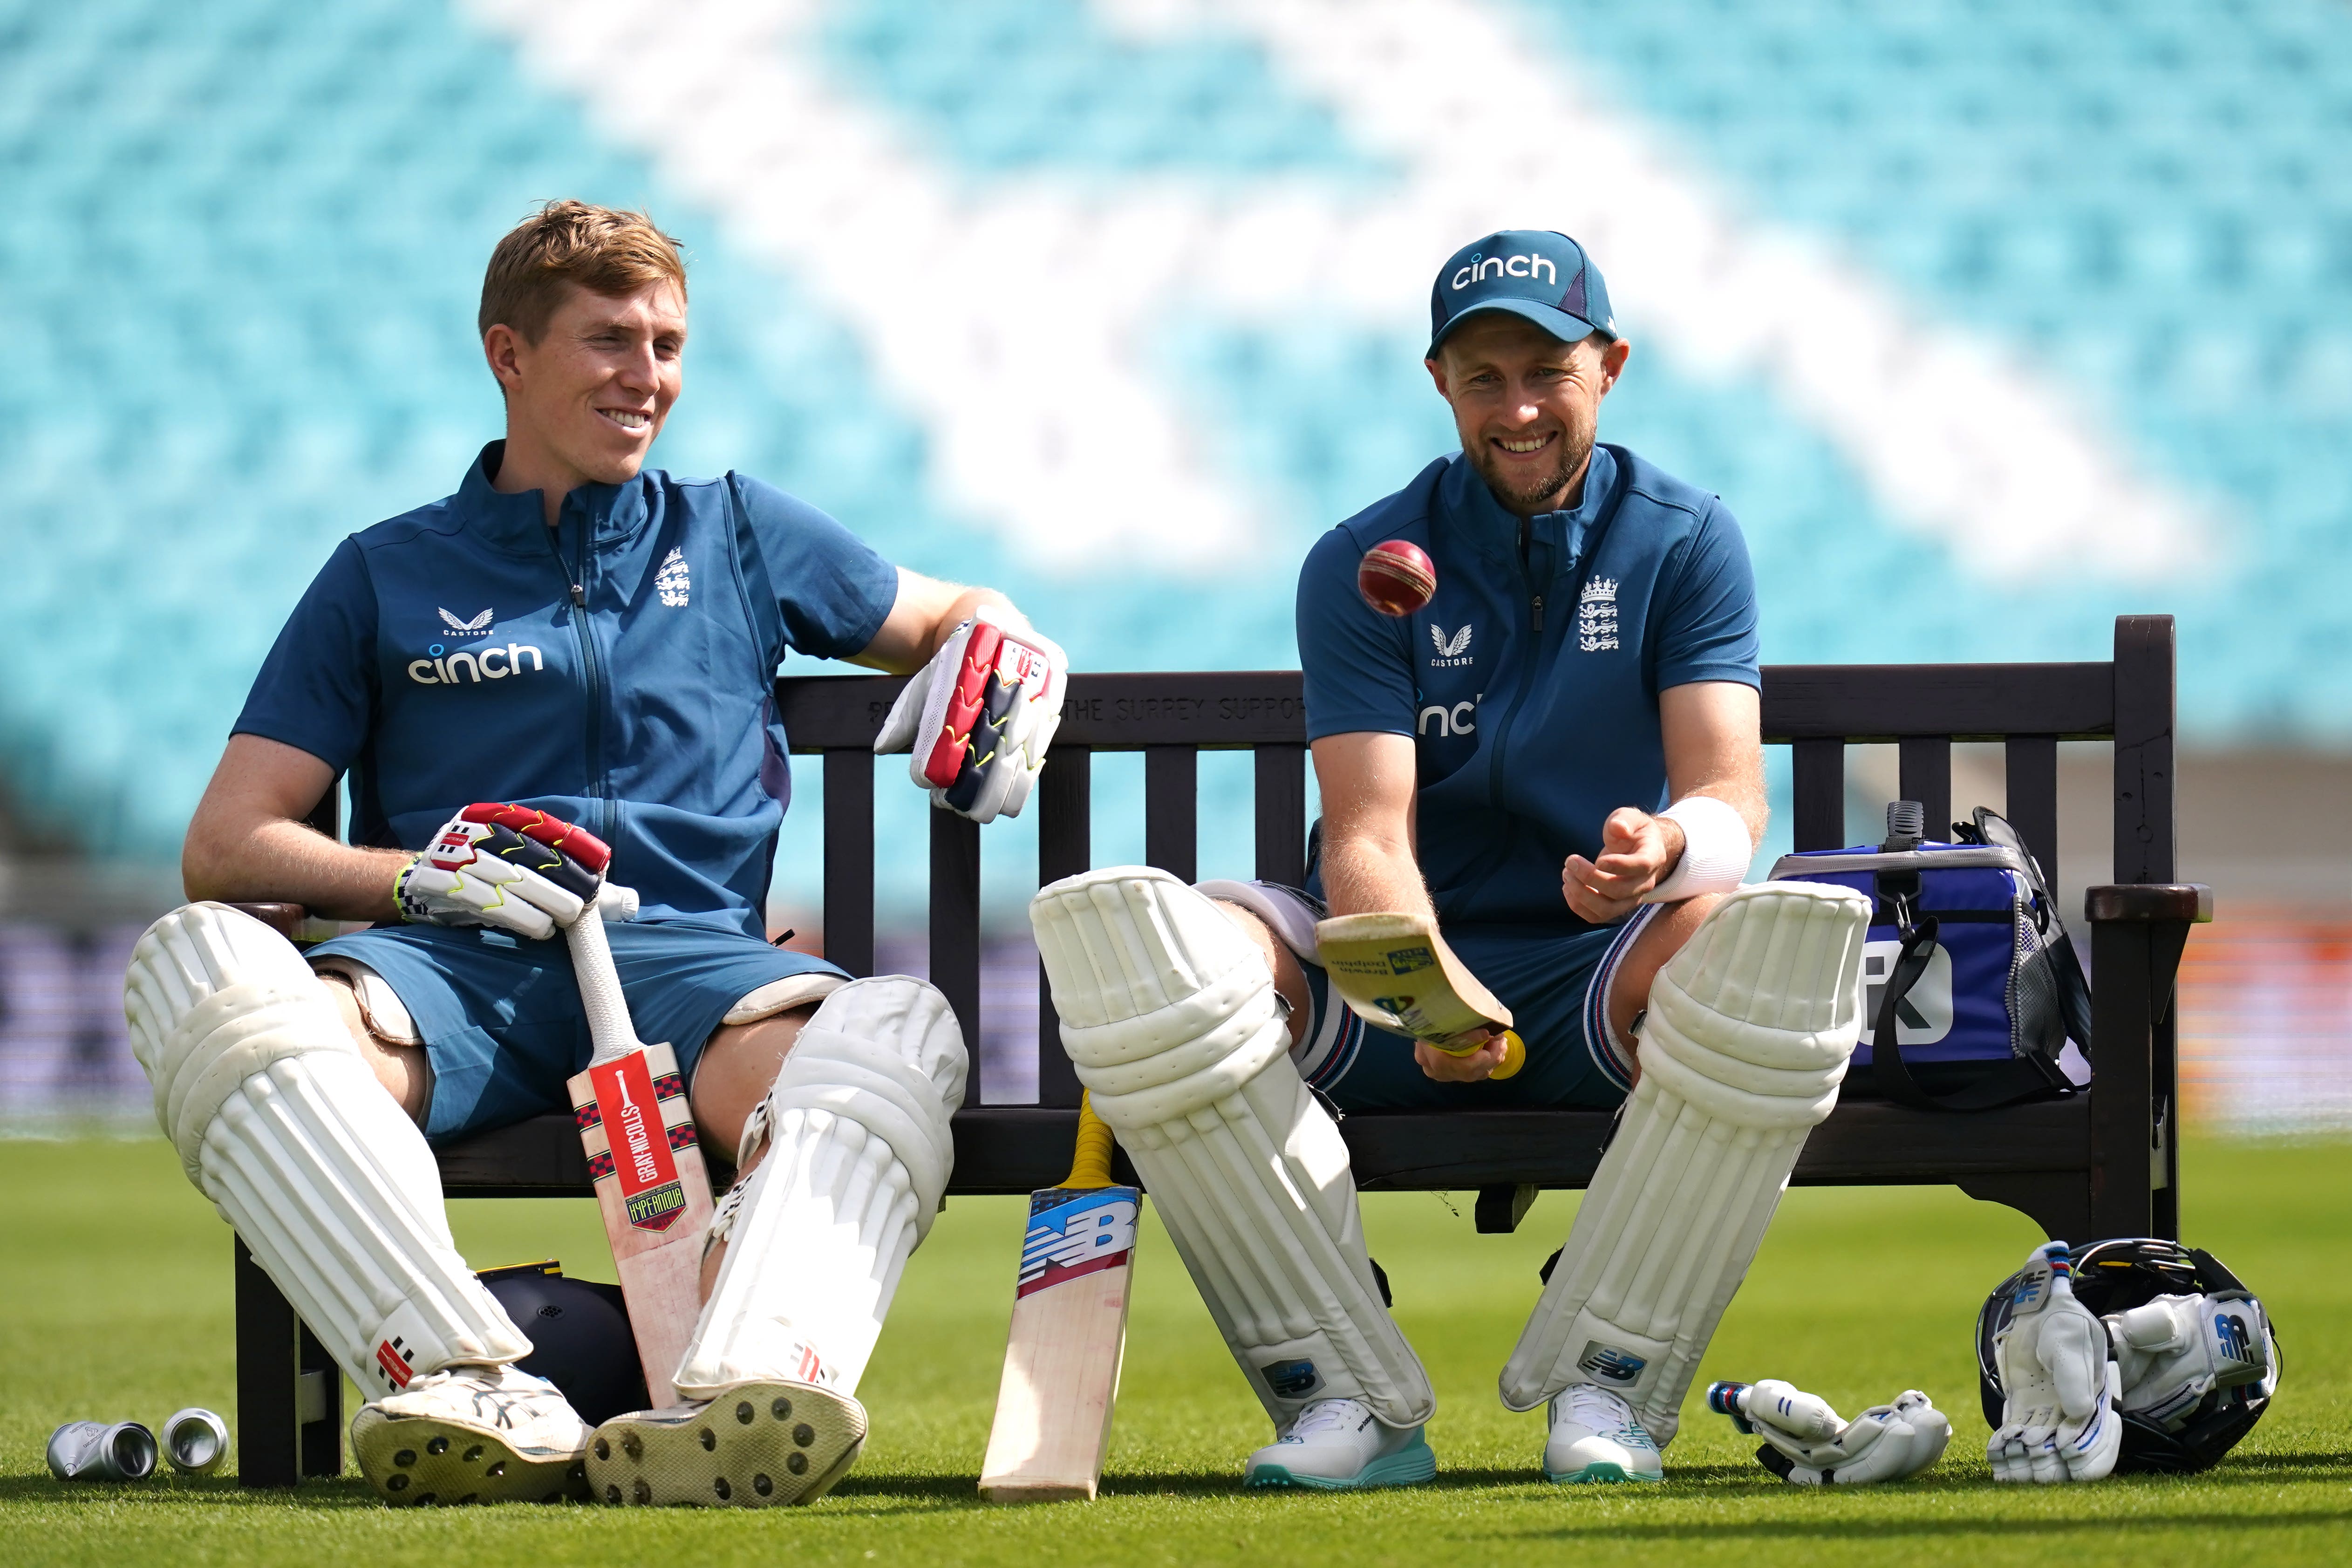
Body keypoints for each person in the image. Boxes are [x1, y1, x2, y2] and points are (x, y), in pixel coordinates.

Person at [122, 201, 1065, 1508]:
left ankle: (748, 1391)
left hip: (691, 971)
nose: (649, 378)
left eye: (669, 345)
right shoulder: (385, 573)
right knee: (208, 977)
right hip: (450, 972)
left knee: (890, 1034)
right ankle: (458, 1378)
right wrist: (418, 883)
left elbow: (950, 611)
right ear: (509, 355)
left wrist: (1000, 641)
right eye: (611, 341)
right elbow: (230, 843)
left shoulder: (733, 529)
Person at [1029, 230, 1870, 1489]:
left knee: (1773, 959)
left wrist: (1663, 850)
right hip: (1394, 956)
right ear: (1438, 383)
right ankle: (1345, 1399)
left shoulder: (1685, 540)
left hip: (1594, 962)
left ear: (1610, 365)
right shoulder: (1366, 559)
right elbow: (1366, 832)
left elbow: (1726, 791)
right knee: (1164, 963)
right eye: (1483, 376)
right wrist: (1411, 984)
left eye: (1546, 369)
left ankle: (1610, 1387)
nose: (1517, 406)